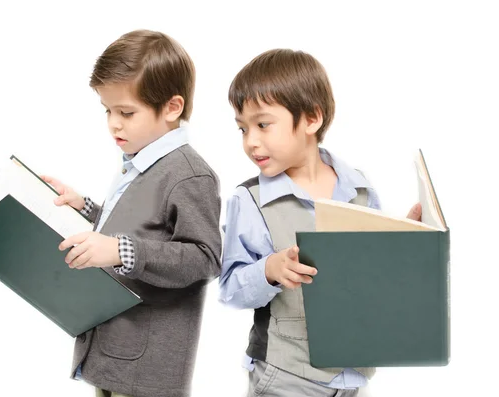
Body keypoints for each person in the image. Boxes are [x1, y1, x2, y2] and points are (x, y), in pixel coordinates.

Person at [218, 48, 421, 397]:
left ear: (312, 118)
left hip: (354, 376)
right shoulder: (248, 200)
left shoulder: (359, 188)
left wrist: (404, 244)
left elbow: (373, 280)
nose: (251, 141)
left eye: (263, 124)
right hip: (285, 378)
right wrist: (269, 269)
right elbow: (230, 289)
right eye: (242, 128)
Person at [43, 29, 222, 397]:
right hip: (113, 350)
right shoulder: (140, 162)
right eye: (108, 110)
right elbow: (139, 228)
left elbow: (205, 258)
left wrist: (122, 251)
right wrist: (87, 208)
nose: (114, 123)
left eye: (126, 112)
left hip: (147, 368)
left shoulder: (189, 174)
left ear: (172, 108)